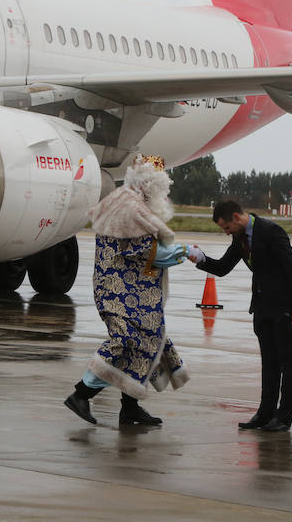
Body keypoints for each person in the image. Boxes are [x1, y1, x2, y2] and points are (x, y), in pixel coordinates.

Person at [64, 155, 195, 426]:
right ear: (150, 184)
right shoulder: (129, 208)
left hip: (132, 289)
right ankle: (81, 394)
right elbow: (145, 250)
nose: (164, 192)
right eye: (162, 186)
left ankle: (130, 406)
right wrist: (185, 252)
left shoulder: (128, 202)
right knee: (126, 340)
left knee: (147, 340)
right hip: (119, 289)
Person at [190, 200, 292, 432]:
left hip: (285, 306)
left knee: (289, 364)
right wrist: (202, 259)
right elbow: (223, 267)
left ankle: (284, 417)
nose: (226, 233)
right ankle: (265, 413)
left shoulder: (270, 231)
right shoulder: (240, 238)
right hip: (263, 307)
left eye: (226, 228)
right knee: (269, 363)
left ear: (236, 218)